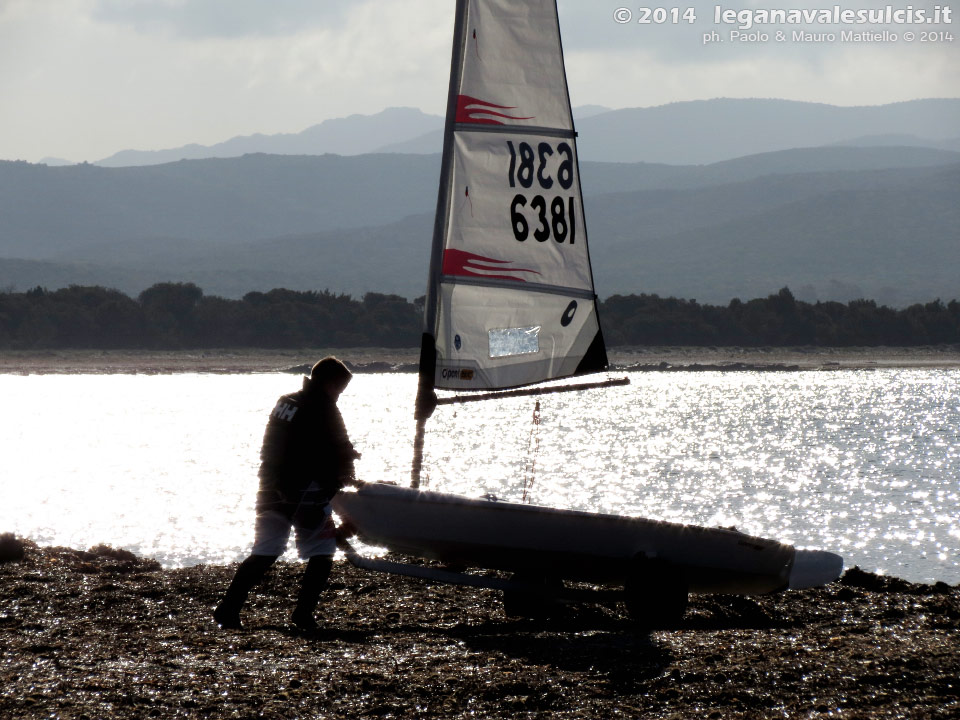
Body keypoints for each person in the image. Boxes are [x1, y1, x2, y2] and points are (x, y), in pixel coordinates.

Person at [214, 356, 360, 631]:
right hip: (304, 492)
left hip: (270, 487)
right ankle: (303, 613)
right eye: (340, 390)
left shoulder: (286, 403)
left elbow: (280, 446)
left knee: (266, 551)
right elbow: (338, 446)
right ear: (330, 384)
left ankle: (228, 607)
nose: (339, 396)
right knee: (322, 551)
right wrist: (346, 472)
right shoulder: (323, 408)